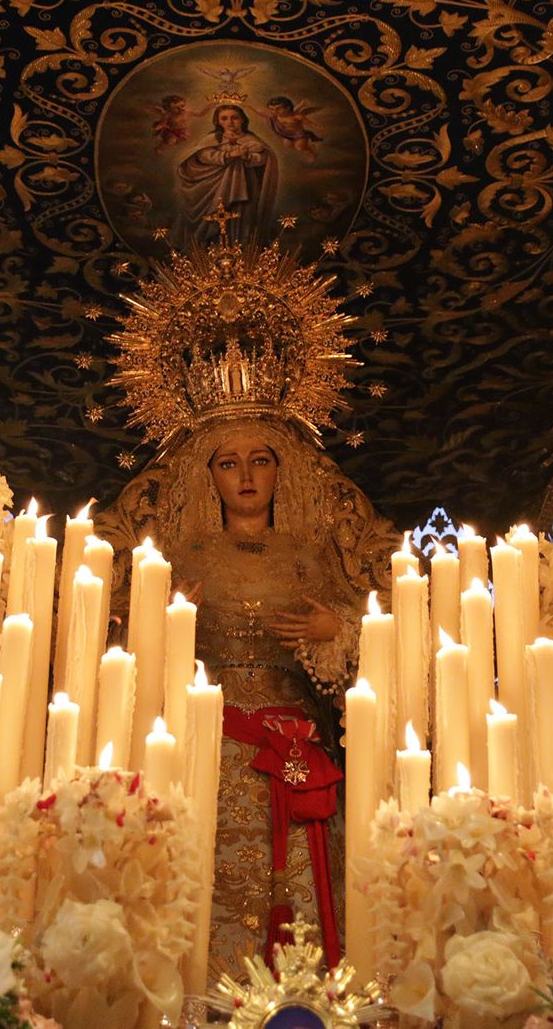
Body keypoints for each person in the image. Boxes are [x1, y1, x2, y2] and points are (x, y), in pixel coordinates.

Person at [95, 414, 396, 983]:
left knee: (310, 868)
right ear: (210, 478)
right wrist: (166, 619)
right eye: (228, 463)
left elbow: (371, 632)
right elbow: (127, 646)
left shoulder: (310, 556)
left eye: (260, 460)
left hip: (297, 744)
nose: (247, 476)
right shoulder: (188, 557)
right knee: (208, 863)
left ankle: (308, 995)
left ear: (281, 471)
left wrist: (335, 631)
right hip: (215, 739)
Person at [175, 103, 279, 247]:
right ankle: (214, 250)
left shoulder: (252, 140)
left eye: (234, 118)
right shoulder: (212, 139)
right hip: (216, 187)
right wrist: (229, 154)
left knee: (242, 216)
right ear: (218, 121)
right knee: (217, 216)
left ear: (242, 119)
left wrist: (248, 157)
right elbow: (203, 156)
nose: (229, 122)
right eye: (224, 118)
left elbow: (264, 159)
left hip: (246, 187)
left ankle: (241, 249)